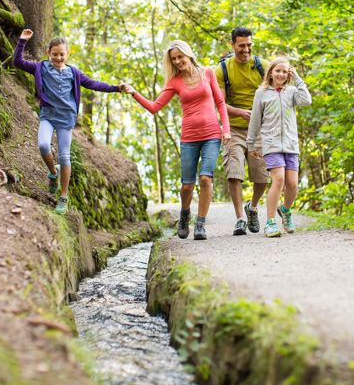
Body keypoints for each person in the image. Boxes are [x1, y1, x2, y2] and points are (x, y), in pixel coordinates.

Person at [122, 40, 230, 241]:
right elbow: (155, 107)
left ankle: (200, 224)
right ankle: (184, 214)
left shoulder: (207, 73)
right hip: (189, 138)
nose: (178, 61)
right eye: (174, 59)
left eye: (180, 56)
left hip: (212, 135)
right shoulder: (174, 82)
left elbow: (220, 103)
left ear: (188, 54)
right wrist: (134, 93)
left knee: (206, 179)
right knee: (187, 186)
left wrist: (226, 129)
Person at [13, 29, 122, 215]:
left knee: (64, 156)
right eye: (54, 54)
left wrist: (116, 88)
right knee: (43, 146)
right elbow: (18, 62)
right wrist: (22, 41)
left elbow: (94, 84)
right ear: (49, 53)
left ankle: (63, 197)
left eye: (62, 54)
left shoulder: (74, 73)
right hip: (48, 115)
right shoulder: (41, 67)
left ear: (67, 54)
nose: (58, 57)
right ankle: (53, 173)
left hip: (66, 119)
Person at [246, 57, 311, 237]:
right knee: (279, 179)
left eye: (284, 71)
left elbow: (307, 100)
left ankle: (286, 210)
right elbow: (255, 120)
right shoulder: (262, 93)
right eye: (278, 71)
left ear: (288, 73)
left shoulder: (292, 91)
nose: (281, 74)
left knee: (292, 184)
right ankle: (270, 222)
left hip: (290, 144)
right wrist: (251, 144)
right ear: (271, 72)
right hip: (271, 143)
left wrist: (297, 78)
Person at [216, 27, 270, 235]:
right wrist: (240, 112)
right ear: (233, 45)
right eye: (241, 46)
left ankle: (253, 207)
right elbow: (219, 104)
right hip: (233, 129)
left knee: (262, 176)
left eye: (249, 45)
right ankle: (240, 218)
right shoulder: (222, 70)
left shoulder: (262, 67)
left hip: (258, 130)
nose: (246, 49)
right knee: (234, 173)